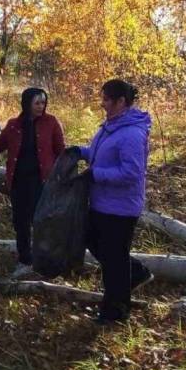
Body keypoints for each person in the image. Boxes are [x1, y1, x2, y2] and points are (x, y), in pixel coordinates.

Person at [67, 79, 154, 325]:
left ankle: (115, 311)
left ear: (121, 102)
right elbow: (99, 154)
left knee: (114, 261)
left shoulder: (132, 134)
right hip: (102, 202)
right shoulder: (111, 126)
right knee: (96, 244)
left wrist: (96, 174)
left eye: (106, 99)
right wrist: (79, 152)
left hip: (120, 208)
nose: (102, 103)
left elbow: (132, 173)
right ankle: (135, 272)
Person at [0, 88, 65, 278]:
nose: (41, 106)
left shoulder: (51, 123)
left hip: (42, 182)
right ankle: (24, 260)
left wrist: (60, 176)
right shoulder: (14, 125)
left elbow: (61, 150)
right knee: (20, 222)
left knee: (40, 221)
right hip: (19, 182)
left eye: (43, 102)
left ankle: (45, 261)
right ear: (27, 103)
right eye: (37, 102)